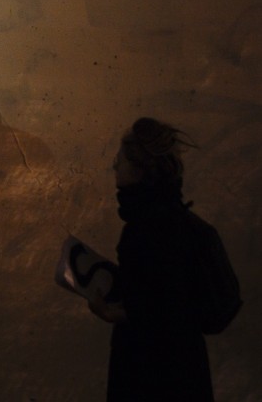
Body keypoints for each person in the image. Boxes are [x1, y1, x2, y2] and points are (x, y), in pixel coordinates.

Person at [88, 117, 214, 401]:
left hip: (148, 373)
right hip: (187, 372)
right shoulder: (178, 222)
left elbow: (157, 314)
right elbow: (167, 302)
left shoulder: (143, 231)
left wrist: (112, 312)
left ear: (138, 170)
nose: (114, 165)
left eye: (120, 159)